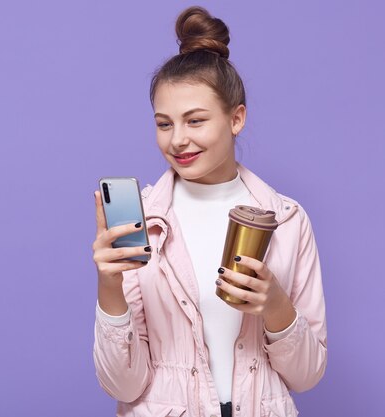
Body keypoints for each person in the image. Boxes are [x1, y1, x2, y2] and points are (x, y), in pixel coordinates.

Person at [91, 6, 327, 417]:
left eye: (195, 120)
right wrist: (109, 287)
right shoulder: (142, 221)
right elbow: (122, 385)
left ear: (236, 119)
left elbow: (306, 377)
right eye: (164, 124)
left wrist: (274, 304)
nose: (178, 140)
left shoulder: (287, 220)